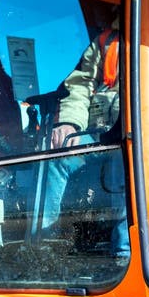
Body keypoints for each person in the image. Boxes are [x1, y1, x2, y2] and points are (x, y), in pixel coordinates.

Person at [42, 17, 130, 261]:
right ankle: (47, 242)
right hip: (99, 132)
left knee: (126, 161)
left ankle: (124, 252)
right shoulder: (107, 41)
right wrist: (69, 123)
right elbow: (80, 86)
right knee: (59, 154)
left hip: (145, 135)